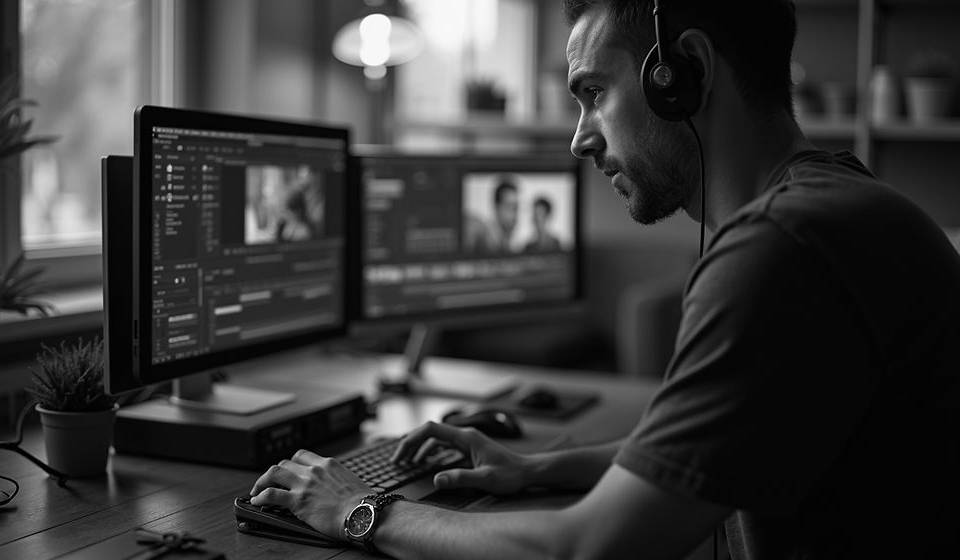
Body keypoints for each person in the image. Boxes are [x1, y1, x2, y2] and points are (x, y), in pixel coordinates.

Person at [248, 1, 960, 558]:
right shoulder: (837, 201)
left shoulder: (782, 247)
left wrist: (358, 509)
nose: (579, 136)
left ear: (683, 73)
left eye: (593, 91)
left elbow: (584, 549)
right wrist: (536, 470)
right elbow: (735, 443)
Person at [463, 175, 520, 254]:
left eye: (516, 209)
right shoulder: (480, 234)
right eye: (510, 207)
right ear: (497, 207)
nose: (515, 216)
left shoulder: (507, 248)